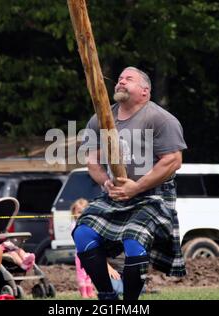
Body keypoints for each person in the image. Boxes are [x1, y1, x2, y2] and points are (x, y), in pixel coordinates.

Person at [72, 66, 187, 300]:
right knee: (83, 232)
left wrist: (137, 187)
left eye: (129, 79)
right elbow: (92, 162)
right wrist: (106, 183)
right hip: (116, 194)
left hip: (152, 195)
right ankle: (107, 295)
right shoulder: (100, 119)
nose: (121, 82)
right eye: (120, 78)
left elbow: (173, 161)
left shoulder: (160, 118)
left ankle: (130, 303)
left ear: (145, 91)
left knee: (134, 239)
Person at [70, 198, 122, 298]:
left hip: (90, 252)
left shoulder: (88, 224)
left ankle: (90, 290)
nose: (81, 214)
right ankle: (83, 291)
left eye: (83, 212)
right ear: (74, 213)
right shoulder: (75, 225)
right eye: (79, 212)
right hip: (80, 255)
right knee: (81, 273)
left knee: (89, 272)